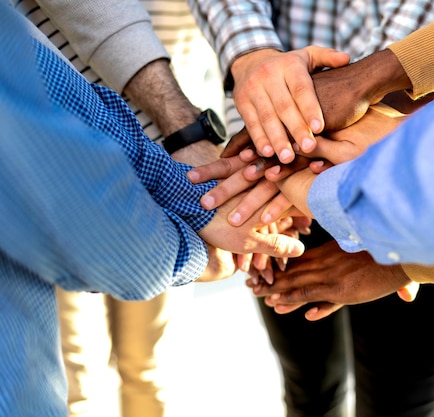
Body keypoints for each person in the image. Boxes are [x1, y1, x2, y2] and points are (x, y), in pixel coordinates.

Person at [187, 0, 434, 416]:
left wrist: (370, 94)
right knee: (309, 387)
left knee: (404, 402)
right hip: (284, 164)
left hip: (411, 167)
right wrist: (260, 74)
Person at [0, 5, 304, 416]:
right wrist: (194, 250)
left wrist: (207, 166)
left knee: (150, 364)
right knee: (80, 367)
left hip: (175, 164)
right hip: (99, 170)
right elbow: (113, 245)